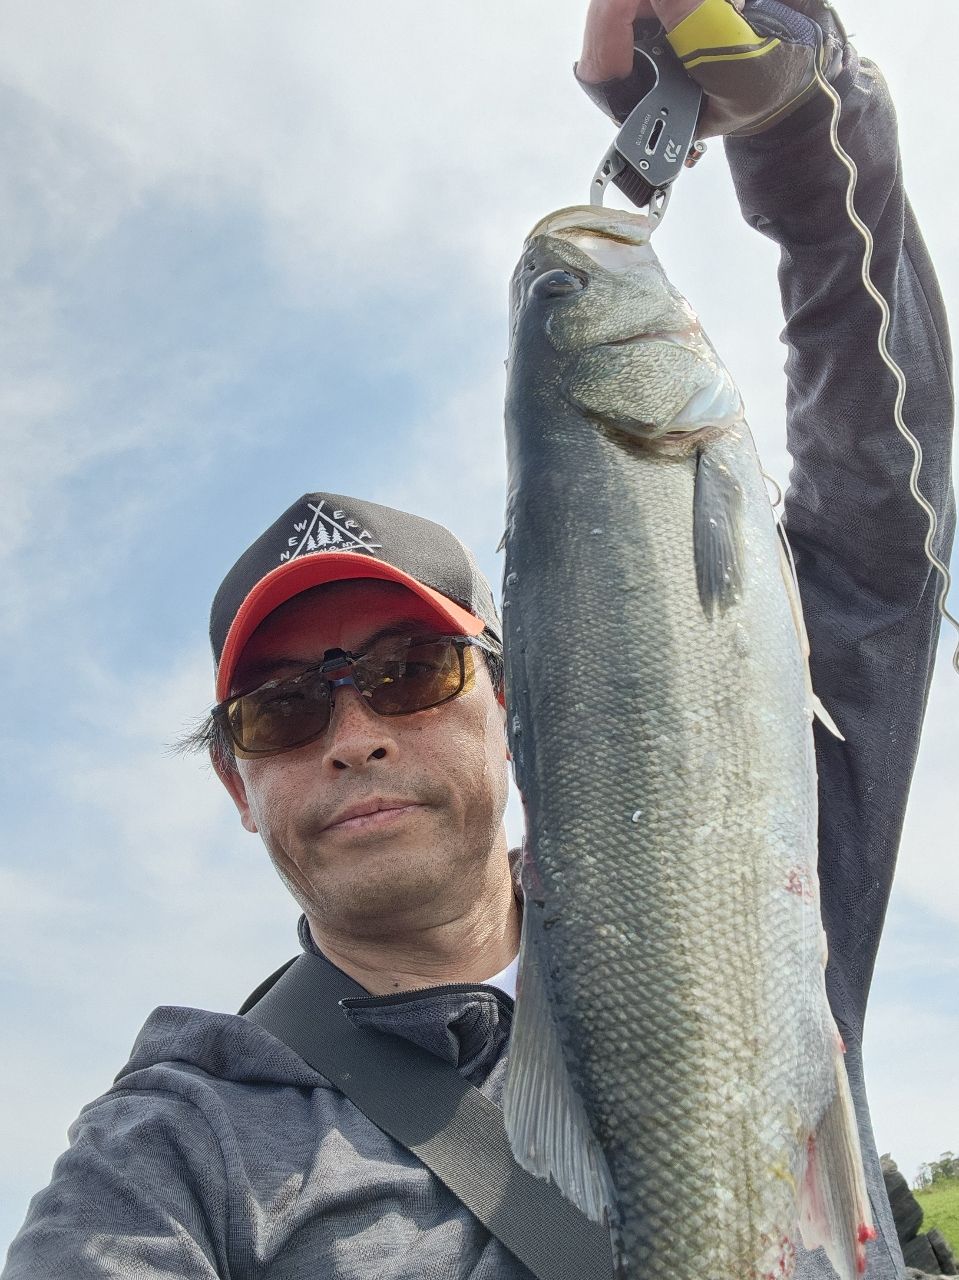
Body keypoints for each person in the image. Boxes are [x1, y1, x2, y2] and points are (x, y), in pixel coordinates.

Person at [3, 0, 954, 1276]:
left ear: (510, 700)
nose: (353, 735)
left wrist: (800, 123)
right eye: (283, 708)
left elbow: (885, 496)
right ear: (237, 782)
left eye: (407, 672)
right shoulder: (172, 1154)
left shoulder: (735, 837)